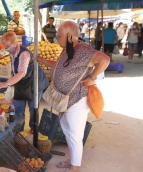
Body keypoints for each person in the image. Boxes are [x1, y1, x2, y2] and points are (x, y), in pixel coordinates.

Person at [35, 21, 109, 172]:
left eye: (59, 35)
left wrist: (92, 78)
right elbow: (59, 66)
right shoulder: (67, 50)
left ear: (69, 36)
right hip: (65, 100)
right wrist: (42, 60)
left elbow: (104, 59)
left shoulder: (82, 50)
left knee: (74, 134)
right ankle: (72, 161)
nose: (57, 38)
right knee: (68, 131)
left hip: (77, 99)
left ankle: (74, 167)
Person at [0, 32, 49, 134]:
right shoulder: (12, 52)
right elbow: (15, 71)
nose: (6, 48)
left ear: (14, 42)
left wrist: (6, 83)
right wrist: (11, 82)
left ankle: (34, 127)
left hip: (35, 81)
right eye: (5, 46)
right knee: (18, 106)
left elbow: (21, 73)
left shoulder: (24, 54)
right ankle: (19, 127)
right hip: (22, 82)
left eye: (7, 46)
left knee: (33, 106)